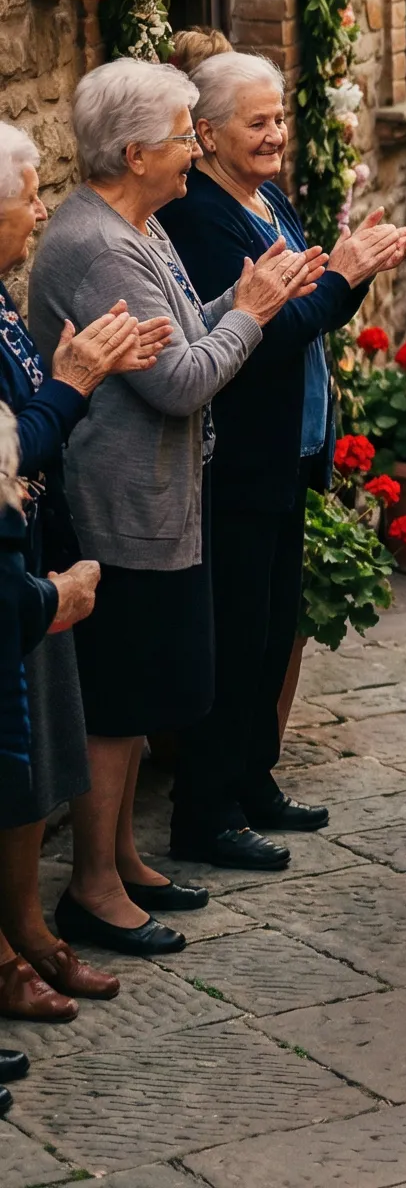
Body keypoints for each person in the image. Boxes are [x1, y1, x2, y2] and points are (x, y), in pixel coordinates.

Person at [29, 61, 318, 957]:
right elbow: (184, 381)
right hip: (119, 502)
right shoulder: (99, 246)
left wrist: (252, 295)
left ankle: (120, 861)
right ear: (133, 151)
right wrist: (257, 314)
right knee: (120, 702)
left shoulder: (140, 226)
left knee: (145, 687)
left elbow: (190, 331)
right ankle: (94, 884)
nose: (196, 147)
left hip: (157, 496)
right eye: (185, 134)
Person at [159, 54, 406, 866]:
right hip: (239, 455)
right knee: (236, 637)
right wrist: (344, 279)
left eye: (280, 119)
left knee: (273, 629)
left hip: (290, 447)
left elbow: (306, 297)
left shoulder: (265, 198)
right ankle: (206, 810)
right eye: (258, 122)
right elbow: (258, 338)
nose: (277, 135)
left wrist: (350, 269)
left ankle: (255, 777)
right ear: (204, 137)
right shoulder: (201, 217)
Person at [0, 124, 159, 1021]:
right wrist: (73, 383)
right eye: (29, 194)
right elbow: (15, 444)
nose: (41, 209)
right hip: (13, 561)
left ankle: (27, 930)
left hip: (32, 549)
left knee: (37, 762)